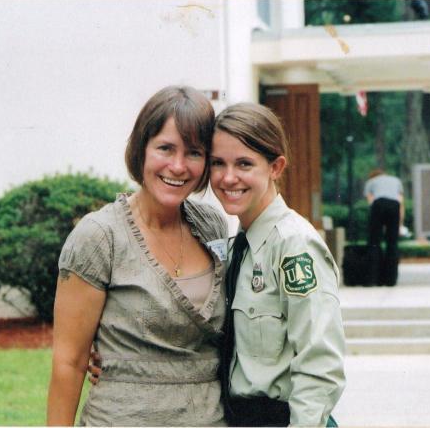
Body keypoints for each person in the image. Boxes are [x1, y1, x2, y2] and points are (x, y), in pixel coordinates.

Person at [47, 85, 229, 426]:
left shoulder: (212, 226)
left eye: (194, 152)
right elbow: (69, 362)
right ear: (141, 149)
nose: (178, 166)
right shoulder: (99, 236)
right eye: (165, 148)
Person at [211, 103, 345, 427]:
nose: (229, 177)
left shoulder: (294, 245)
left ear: (275, 167)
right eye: (218, 163)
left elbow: (320, 364)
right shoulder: (237, 247)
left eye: (244, 163)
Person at [363, 168, 404, 287]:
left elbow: (371, 201)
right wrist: (399, 223)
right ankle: (391, 280)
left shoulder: (370, 182)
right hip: (394, 205)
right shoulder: (396, 180)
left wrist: (376, 220)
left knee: (374, 242)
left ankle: (373, 279)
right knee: (392, 243)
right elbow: (400, 202)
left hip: (378, 204)